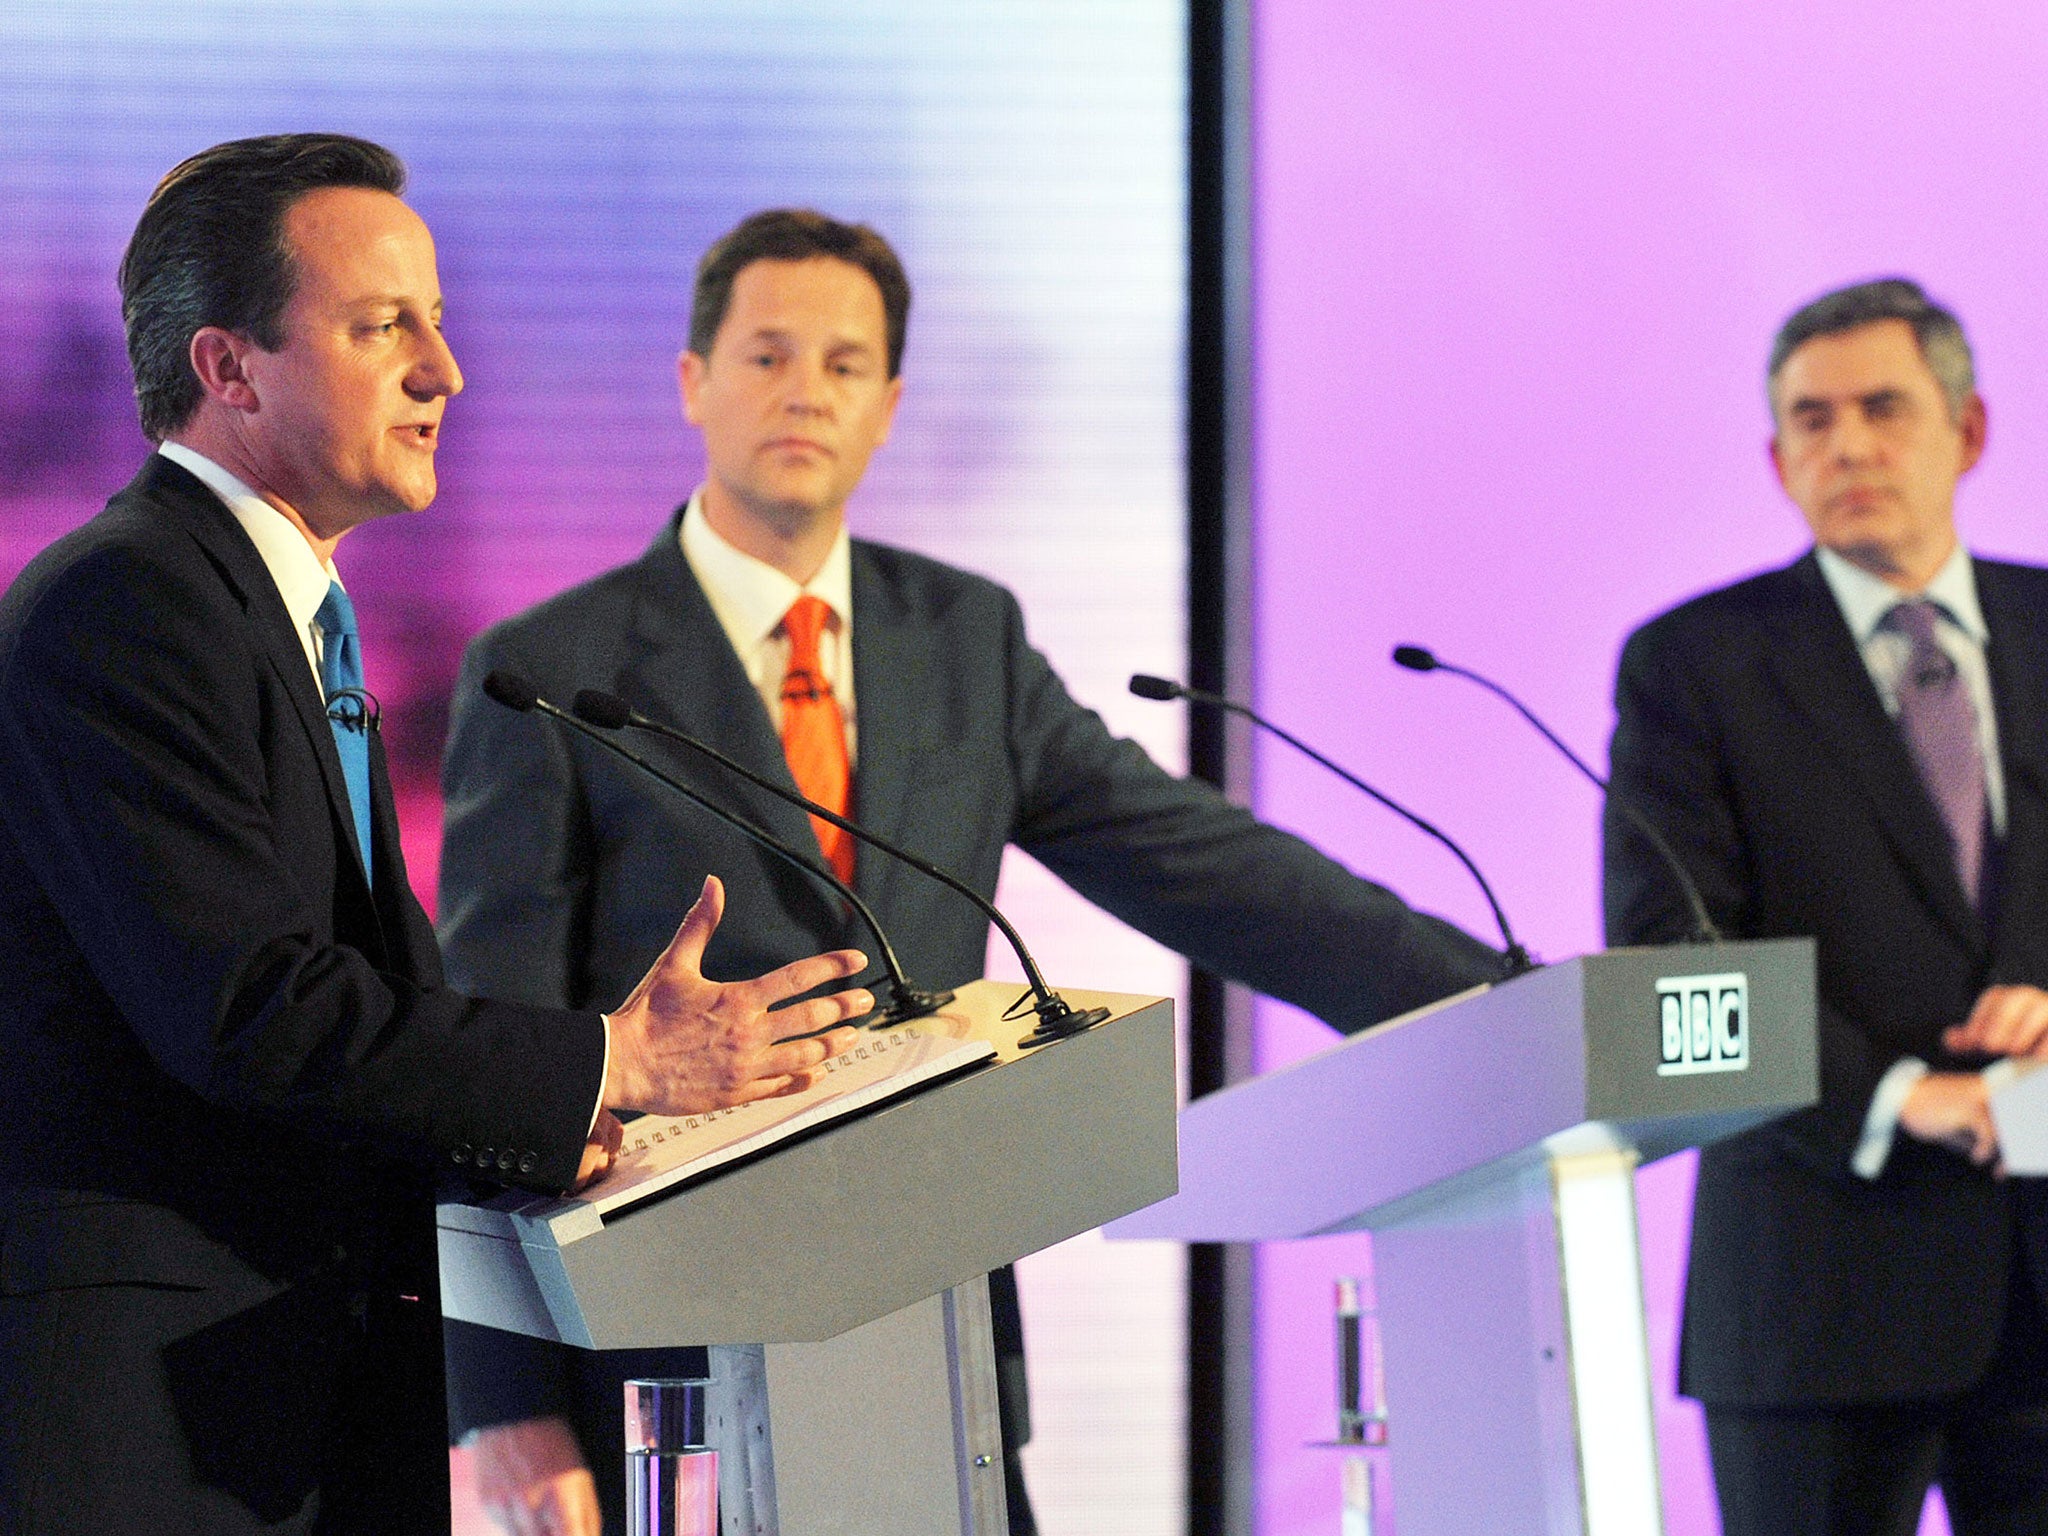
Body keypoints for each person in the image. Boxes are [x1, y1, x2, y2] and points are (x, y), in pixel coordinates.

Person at [438, 206, 1508, 1534]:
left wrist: (1497, 1005)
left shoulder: (963, 635)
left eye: (843, 365)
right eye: (768, 355)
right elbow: (490, 1046)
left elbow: (1199, 863)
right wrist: (497, 1400)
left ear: (889, 404)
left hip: (934, 1334)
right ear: (692, 382)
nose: (805, 394)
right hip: (666, 1366)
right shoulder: (554, 671)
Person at [0, 137, 871, 1536]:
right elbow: (252, 1012)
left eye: (440, 322)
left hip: (298, 1409)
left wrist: (591, 1123)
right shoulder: (127, 607)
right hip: (152, 1432)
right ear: (230, 370)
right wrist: (606, 1061)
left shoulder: (279, 618)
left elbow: (359, 1013)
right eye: (382, 325)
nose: (442, 373)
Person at [1605, 278, 2048, 1535]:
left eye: (1880, 409)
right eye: (1809, 420)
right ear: (1774, 457)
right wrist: (1902, 1098)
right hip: (1816, 1288)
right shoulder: (1693, 664)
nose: (1844, 444)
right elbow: (1671, 960)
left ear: (1966, 432)